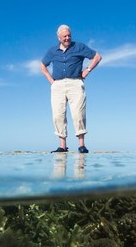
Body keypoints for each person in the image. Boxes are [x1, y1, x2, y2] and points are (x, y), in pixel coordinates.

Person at [40, 24, 101, 153]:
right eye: (64, 36)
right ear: (58, 37)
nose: (67, 38)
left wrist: (87, 70)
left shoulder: (79, 46)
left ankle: (81, 145)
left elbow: (97, 57)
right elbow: (42, 65)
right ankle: (62, 146)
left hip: (75, 83)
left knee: (78, 113)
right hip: (57, 85)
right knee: (58, 115)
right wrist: (51, 81)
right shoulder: (52, 51)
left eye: (69, 35)